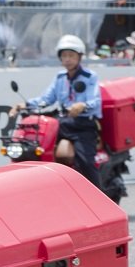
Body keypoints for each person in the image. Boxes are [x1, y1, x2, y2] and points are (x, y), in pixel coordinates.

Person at [15, 34, 103, 188]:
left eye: (71, 55)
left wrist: (82, 105)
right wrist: (25, 104)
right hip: (62, 123)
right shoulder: (60, 77)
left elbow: (95, 101)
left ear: (79, 57)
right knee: (37, 147)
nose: (67, 59)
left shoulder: (90, 77)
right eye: (64, 56)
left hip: (83, 125)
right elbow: (47, 99)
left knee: (86, 161)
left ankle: (100, 198)